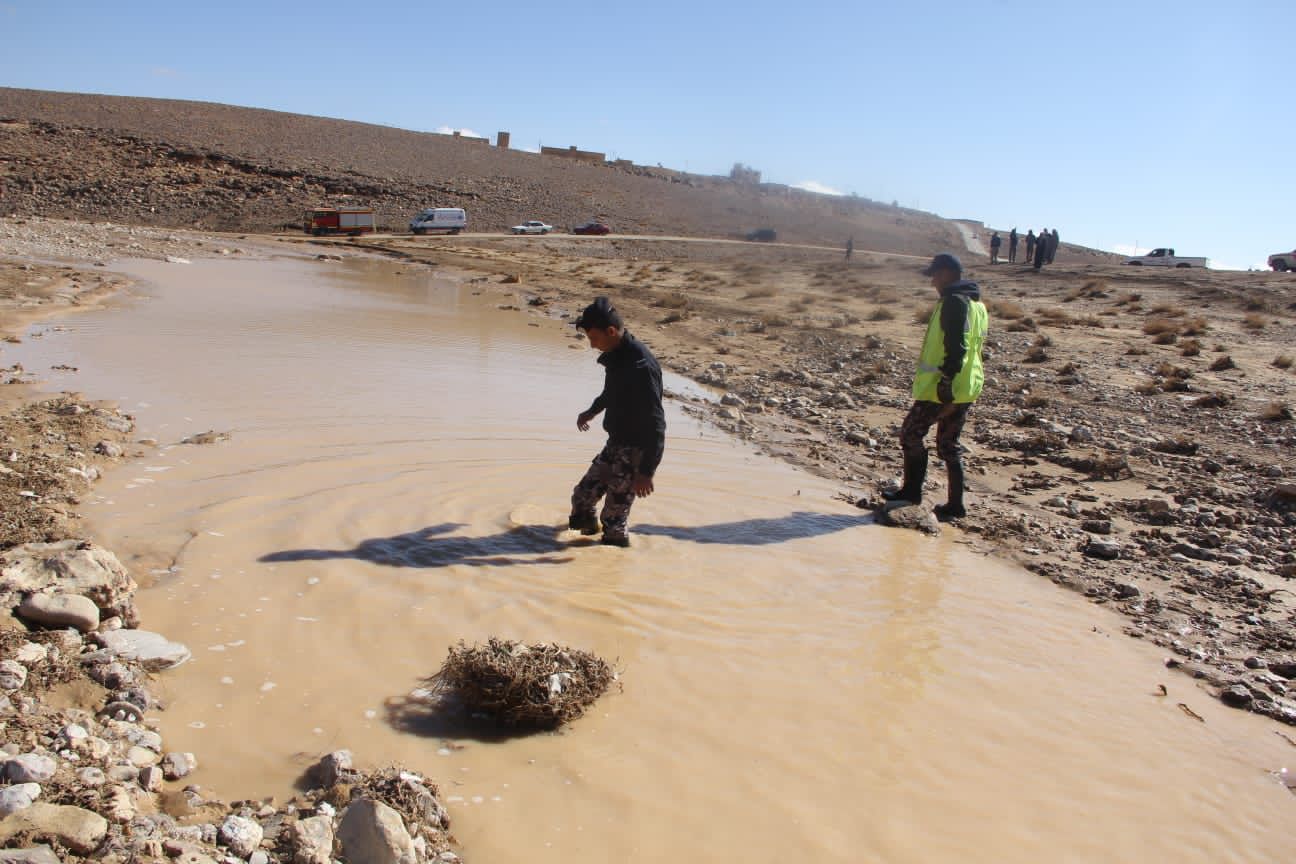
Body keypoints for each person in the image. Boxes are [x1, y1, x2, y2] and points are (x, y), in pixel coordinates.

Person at [884, 253, 988, 521]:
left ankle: (911, 494)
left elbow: (957, 347)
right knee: (948, 444)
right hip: (968, 385)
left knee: (910, 434)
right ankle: (955, 506)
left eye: (934, 275)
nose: (932, 281)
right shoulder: (977, 305)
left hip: (943, 388)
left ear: (946, 273)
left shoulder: (953, 302)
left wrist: (945, 382)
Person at [570, 297, 666, 547]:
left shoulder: (640, 367)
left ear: (611, 331)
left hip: (635, 452)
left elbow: (657, 425)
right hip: (615, 444)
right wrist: (591, 411)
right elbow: (611, 392)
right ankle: (581, 548)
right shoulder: (617, 354)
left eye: (594, 338)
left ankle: (612, 570)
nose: (592, 345)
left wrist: (646, 472)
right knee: (582, 498)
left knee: (613, 522)